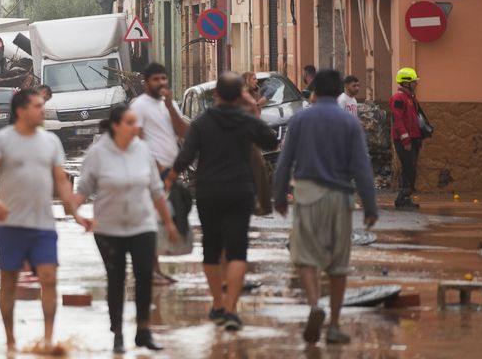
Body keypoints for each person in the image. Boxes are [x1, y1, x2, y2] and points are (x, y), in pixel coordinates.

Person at [0, 88, 89, 353]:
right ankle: (10, 340)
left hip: (43, 225)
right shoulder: (2, 140)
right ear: (21, 111)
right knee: (9, 281)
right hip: (10, 226)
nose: (42, 109)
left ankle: (49, 339)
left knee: (49, 278)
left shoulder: (51, 142)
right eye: (38, 105)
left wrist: (76, 214)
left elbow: (61, 182)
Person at [273, 69, 378, 346]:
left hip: (307, 194)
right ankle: (333, 324)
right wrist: (370, 206)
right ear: (338, 91)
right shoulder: (349, 122)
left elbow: (285, 161)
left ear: (315, 92)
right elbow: (362, 166)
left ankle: (313, 304)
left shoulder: (300, 120)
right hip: (341, 198)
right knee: (338, 263)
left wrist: (280, 196)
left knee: (306, 255)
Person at [173, 72, 278, 332]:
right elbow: (270, 140)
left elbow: (185, 158)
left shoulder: (201, 123)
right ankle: (231, 310)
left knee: (211, 248)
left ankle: (218, 304)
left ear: (216, 95)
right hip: (240, 192)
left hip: (209, 193)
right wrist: (251, 105)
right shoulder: (246, 121)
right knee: (237, 250)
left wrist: (167, 181)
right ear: (238, 95)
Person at [77, 104, 181, 354]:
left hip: (142, 225)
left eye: (137, 122)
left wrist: (168, 223)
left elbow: (156, 190)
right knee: (116, 279)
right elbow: (83, 190)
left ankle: (143, 331)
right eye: (131, 123)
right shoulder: (98, 153)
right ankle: (118, 333)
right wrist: (74, 213)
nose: (137, 127)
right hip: (108, 228)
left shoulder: (143, 150)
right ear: (116, 126)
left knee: (144, 277)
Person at [128, 62, 188, 285]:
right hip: (152, 172)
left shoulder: (168, 105)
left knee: (163, 222)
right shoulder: (139, 106)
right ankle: (148, 270)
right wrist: (155, 167)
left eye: (163, 78)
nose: (161, 83)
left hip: (171, 171)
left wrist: (171, 107)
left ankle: (156, 269)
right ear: (146, 83)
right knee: (150, 222)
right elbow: (138, 139)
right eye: (156, 79)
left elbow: (183, 132)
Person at [390, 67, 424, 211]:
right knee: (408, 168)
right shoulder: (398, 98)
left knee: (411, 169)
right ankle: (402, 198)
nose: (416, 84)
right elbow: (398, 121)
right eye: (414, 82)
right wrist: (406, 141)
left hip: (413, 139)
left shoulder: (410, 98)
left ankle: (404, 198)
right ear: (406, 83)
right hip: (404, 141)